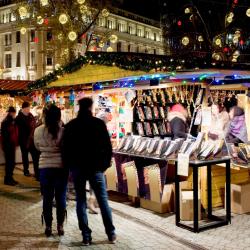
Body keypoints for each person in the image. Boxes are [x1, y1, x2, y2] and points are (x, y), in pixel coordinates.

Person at [63, 98, 116, 245]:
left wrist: (70, 166)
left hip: (78, 168)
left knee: (81, 200)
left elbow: (65, 149)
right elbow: (107, 146)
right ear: (91, 108)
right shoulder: (98, 124)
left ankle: (86, 236)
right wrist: (104, 165)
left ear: (78, 108)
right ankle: (111, 233)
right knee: (102, 199)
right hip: (96, 168)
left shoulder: (71, 125)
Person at [34, 105, 68, 237]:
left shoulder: (38, 131)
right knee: (61, 197)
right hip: (60, 167)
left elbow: (37, 147)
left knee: (47, 198)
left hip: (44, 167)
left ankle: (48, 226)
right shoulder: (63, 131)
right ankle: (60, 226)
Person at [16, 101, 40, 179]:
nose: (29, 109)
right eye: (27, 108)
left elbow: (33, 123)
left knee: (34, 155)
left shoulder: (30, 115)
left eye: (29, 108)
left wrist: (35, 120)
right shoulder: (19, 117)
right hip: (23, 139)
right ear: (23, 108)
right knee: (25, 155)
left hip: (31, 139)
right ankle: (26, 170)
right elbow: (20, 128)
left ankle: (36, 172)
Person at [1, 107, 19, 186]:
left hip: (10, 144)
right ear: (11, 113)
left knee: (11, 163)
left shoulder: (10, 121)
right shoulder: (7, 122)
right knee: (10, 163)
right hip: (8, 145)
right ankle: (8, 179)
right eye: (14, 113)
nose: (15, 114)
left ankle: (10, 178)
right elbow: (6, 135)